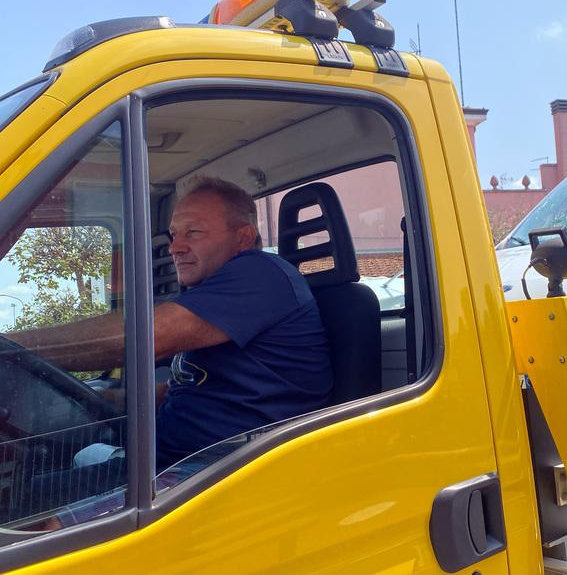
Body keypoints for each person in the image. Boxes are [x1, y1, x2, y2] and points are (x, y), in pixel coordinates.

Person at [10, 176, 333, 469]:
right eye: (174, 234)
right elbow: (189, 386)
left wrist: (11, 349)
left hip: (224, 469)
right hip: (172, 460)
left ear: (244, 238)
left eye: (194, 232)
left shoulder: (261, 275)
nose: (175, 247)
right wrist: (98, 398)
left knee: (36, 507)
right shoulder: (212, 295)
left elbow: (140, 338)